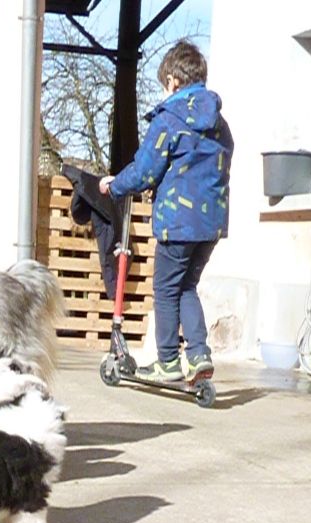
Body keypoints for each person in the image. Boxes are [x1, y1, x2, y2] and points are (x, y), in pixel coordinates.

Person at [99, 40, 233, 382]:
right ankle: (200, 354)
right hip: (211, 223)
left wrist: (115, 186)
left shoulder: (170, 118)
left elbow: (146, 168)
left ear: (173, 80)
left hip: (178, 222)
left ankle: (169, 362)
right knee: (187, 285)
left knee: (167, 289)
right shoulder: (219, 123)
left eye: (164, 84)